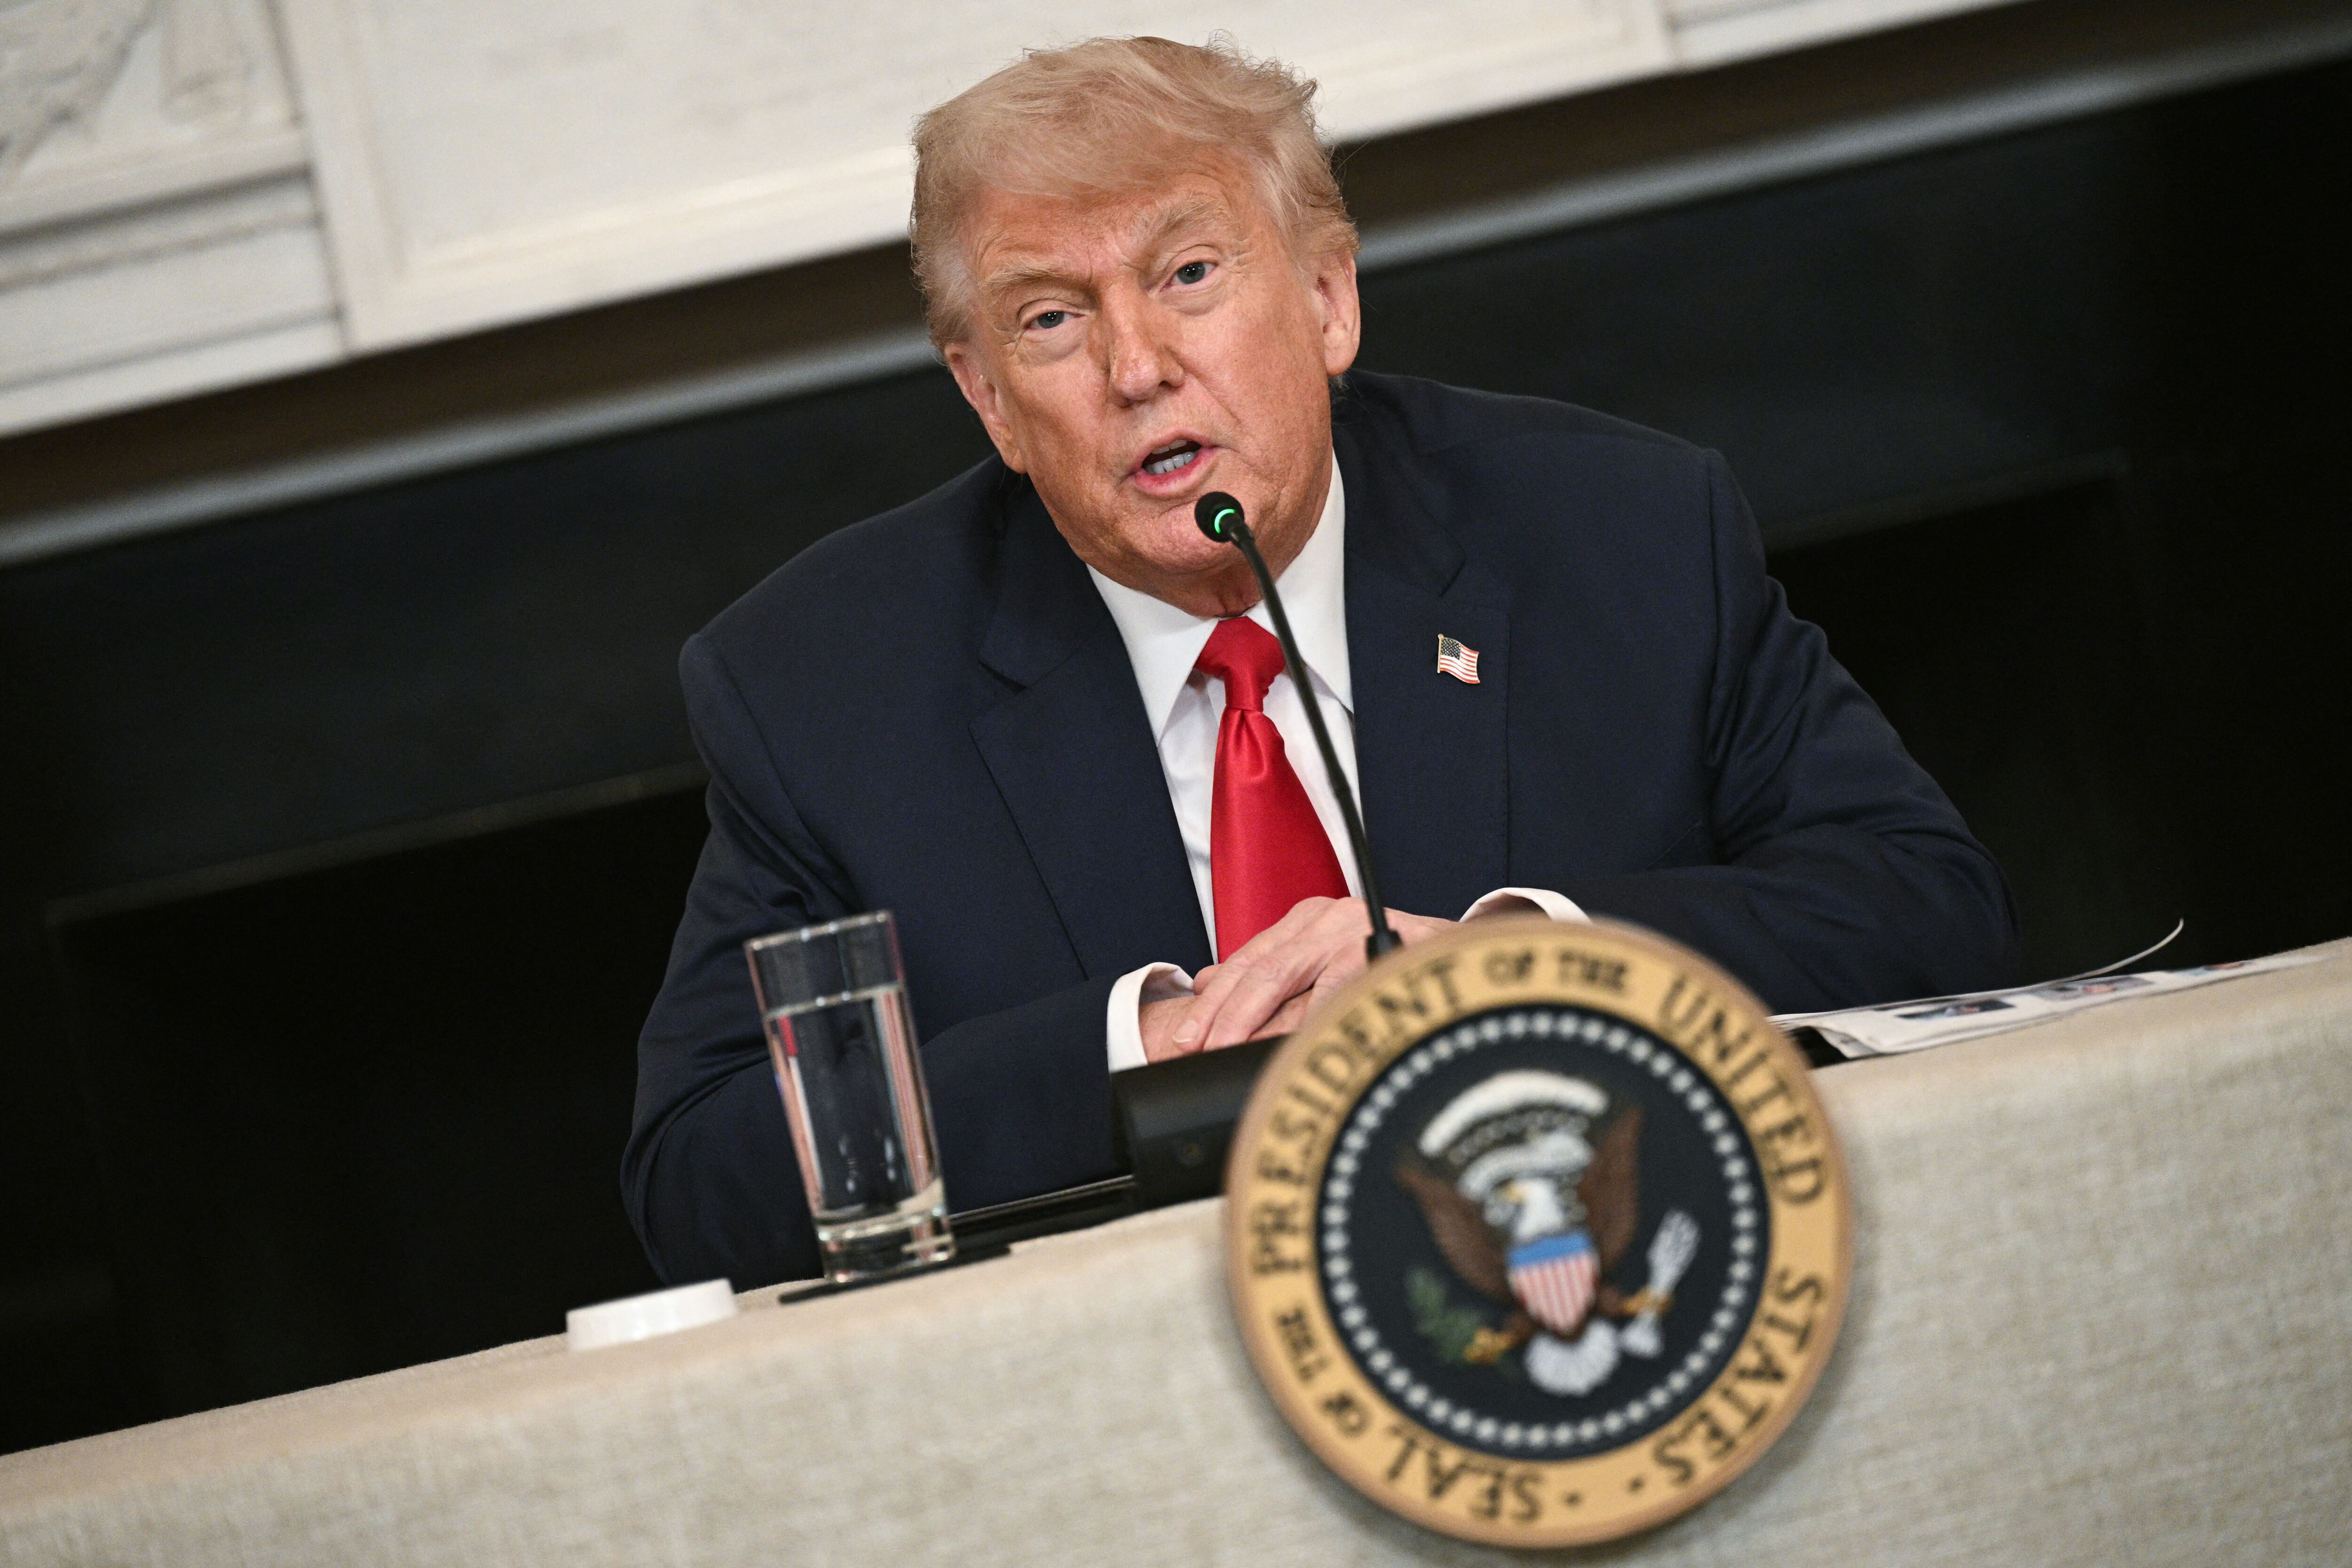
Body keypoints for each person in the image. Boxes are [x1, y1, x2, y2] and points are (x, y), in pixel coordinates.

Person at [623, 36, 2018, 1286]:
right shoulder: (819, 692)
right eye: (1052, 318)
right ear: (987, 395)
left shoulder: (1617, 535)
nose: (1137, 367)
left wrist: (1511, 965)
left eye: (1188, 275)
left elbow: (1927, 912)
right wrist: (1145, 1053)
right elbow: (701, 1175)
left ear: (1329, 296)